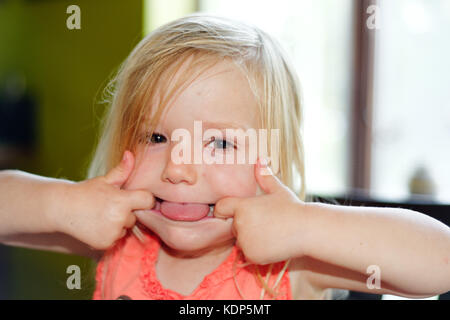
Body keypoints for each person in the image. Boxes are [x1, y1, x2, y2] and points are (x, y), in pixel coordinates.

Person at [0, 14, 449, 300]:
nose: (178, 168)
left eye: (218, 143)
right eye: (156, 136)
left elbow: (441, 262)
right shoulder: (121, 238)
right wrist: (65, 204)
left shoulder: (292, 263)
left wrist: (306, 226)